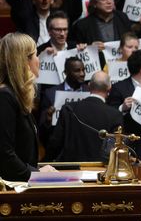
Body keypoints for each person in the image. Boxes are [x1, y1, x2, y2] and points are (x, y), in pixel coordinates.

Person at [0, 33, 51, 181]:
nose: (38, 60)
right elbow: (4, 154)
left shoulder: (15, 95)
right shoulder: (5, 97)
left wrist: (37, 171)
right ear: (24, 61)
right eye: (36, 55)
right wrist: (36, 175)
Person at [46, 70, 123, 162]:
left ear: (89, 86)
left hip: (70, 168)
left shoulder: (69, 108)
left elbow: (56, 142)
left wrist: (47, 161)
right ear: (109, 88)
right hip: (100, 170)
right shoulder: (115, 115)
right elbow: (113, 150)